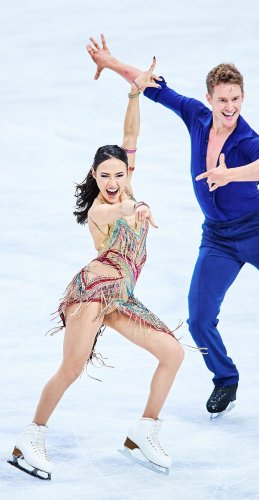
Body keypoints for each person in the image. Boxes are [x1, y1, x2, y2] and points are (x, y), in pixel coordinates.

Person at [86, 35, 259, 419]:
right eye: (222, 99)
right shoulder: (196, 116)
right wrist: (112, 61)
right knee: (200, 317)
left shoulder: (246, 139)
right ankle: (225, 378)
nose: (230, 106)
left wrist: (230, 174)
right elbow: (152, 87)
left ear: (242, 99)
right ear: (209, 99)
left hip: (258, 232)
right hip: (217, 238)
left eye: (236, 99)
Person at [8, 60, 184, 480]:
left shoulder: (126, 180)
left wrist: (134, 92)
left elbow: (130, 136)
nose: (111, 180)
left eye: (118, 174)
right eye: (104, 174)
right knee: (72, 367)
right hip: (92, 292)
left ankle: (143, 431)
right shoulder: (103, 209)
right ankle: (28, 439)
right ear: (94, 175)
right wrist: (136, 206)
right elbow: (122, 209)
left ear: (126, 173)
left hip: (120, 296)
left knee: (172, 353)